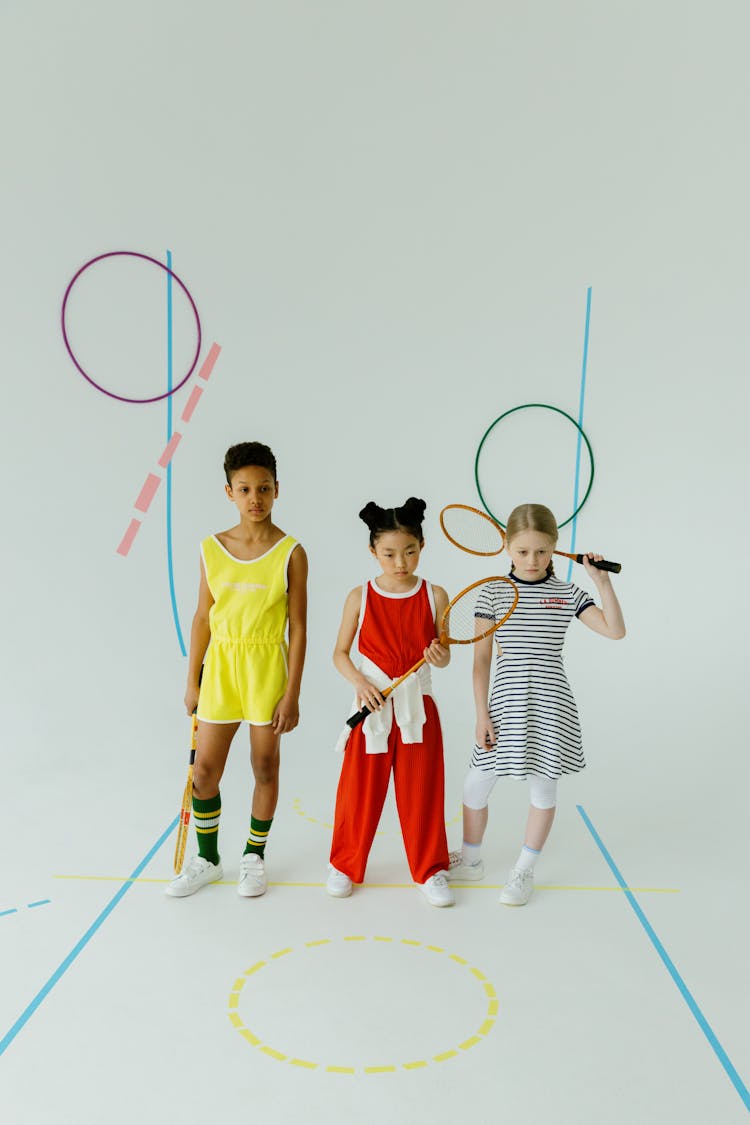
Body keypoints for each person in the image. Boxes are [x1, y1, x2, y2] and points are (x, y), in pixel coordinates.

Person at [447, 502, 625, 906]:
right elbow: (480, 662)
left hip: (550, 704)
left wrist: (601, 582)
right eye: (523, 551)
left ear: (554, 549)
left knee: (542, 791)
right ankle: (472, 860)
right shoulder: (492, 592)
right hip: (504, 703)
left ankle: (523, 872)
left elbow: (615, 631)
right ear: (508, 547)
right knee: (475, 783)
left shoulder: (567, 593)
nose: (533, 560)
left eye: (542, 551)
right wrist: (481, 713)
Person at [166, 441, 308, 899]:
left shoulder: (292, 552)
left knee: (264, 765)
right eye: (245, 489)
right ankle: (207, 859)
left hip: (267, 667)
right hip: (221, 668)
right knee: (204, 772)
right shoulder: (212, 548)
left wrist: (292, 694)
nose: (255, 498)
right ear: (229, 491)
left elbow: (300, 628)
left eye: (264, 488)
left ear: (277, 489)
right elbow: (203, 616)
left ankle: (254, 856)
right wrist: (192, 680)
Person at [326, 498, 454, 907]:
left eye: (410, 551)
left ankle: (431, 870)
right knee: (358, 792)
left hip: (419, 709)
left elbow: (446, 652)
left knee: (423, 792)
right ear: (372, 552)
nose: (400, 561)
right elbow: (339, 654)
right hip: (373, 707)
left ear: (422, 545)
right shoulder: (358, 596)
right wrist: (361, 683)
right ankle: (344, 864)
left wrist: (439, 655)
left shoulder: (435, 595)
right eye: (389, 553)